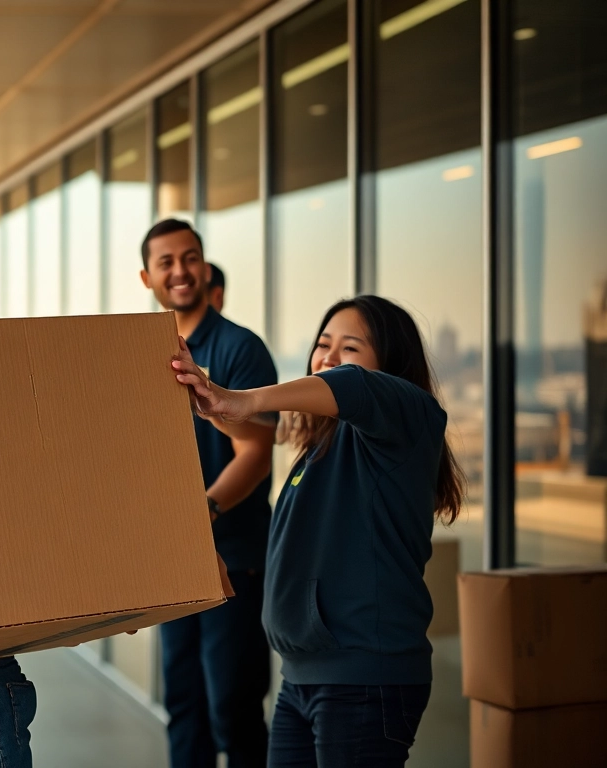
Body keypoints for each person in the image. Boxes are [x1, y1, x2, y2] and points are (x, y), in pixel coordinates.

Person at [170, 295, 464, 768]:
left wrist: (241, 398)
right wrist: (212, 405)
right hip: (303, 678)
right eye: (322, 343)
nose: (327, 357)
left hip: (364, 677)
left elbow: (356, 388)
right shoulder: (321, 448)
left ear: (386, 363)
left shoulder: (409, 416)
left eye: (349, 347)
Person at [138, 218, 275, 768]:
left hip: (233, 556)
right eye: (166, 262)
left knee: (234, 709)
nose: (180, 270)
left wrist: (207, 508)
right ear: (146, 276)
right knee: (185, 705)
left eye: (189, 257)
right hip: (172, 559)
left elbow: (257, 454)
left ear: (204, 265)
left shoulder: (242, 349)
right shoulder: (139, 352)